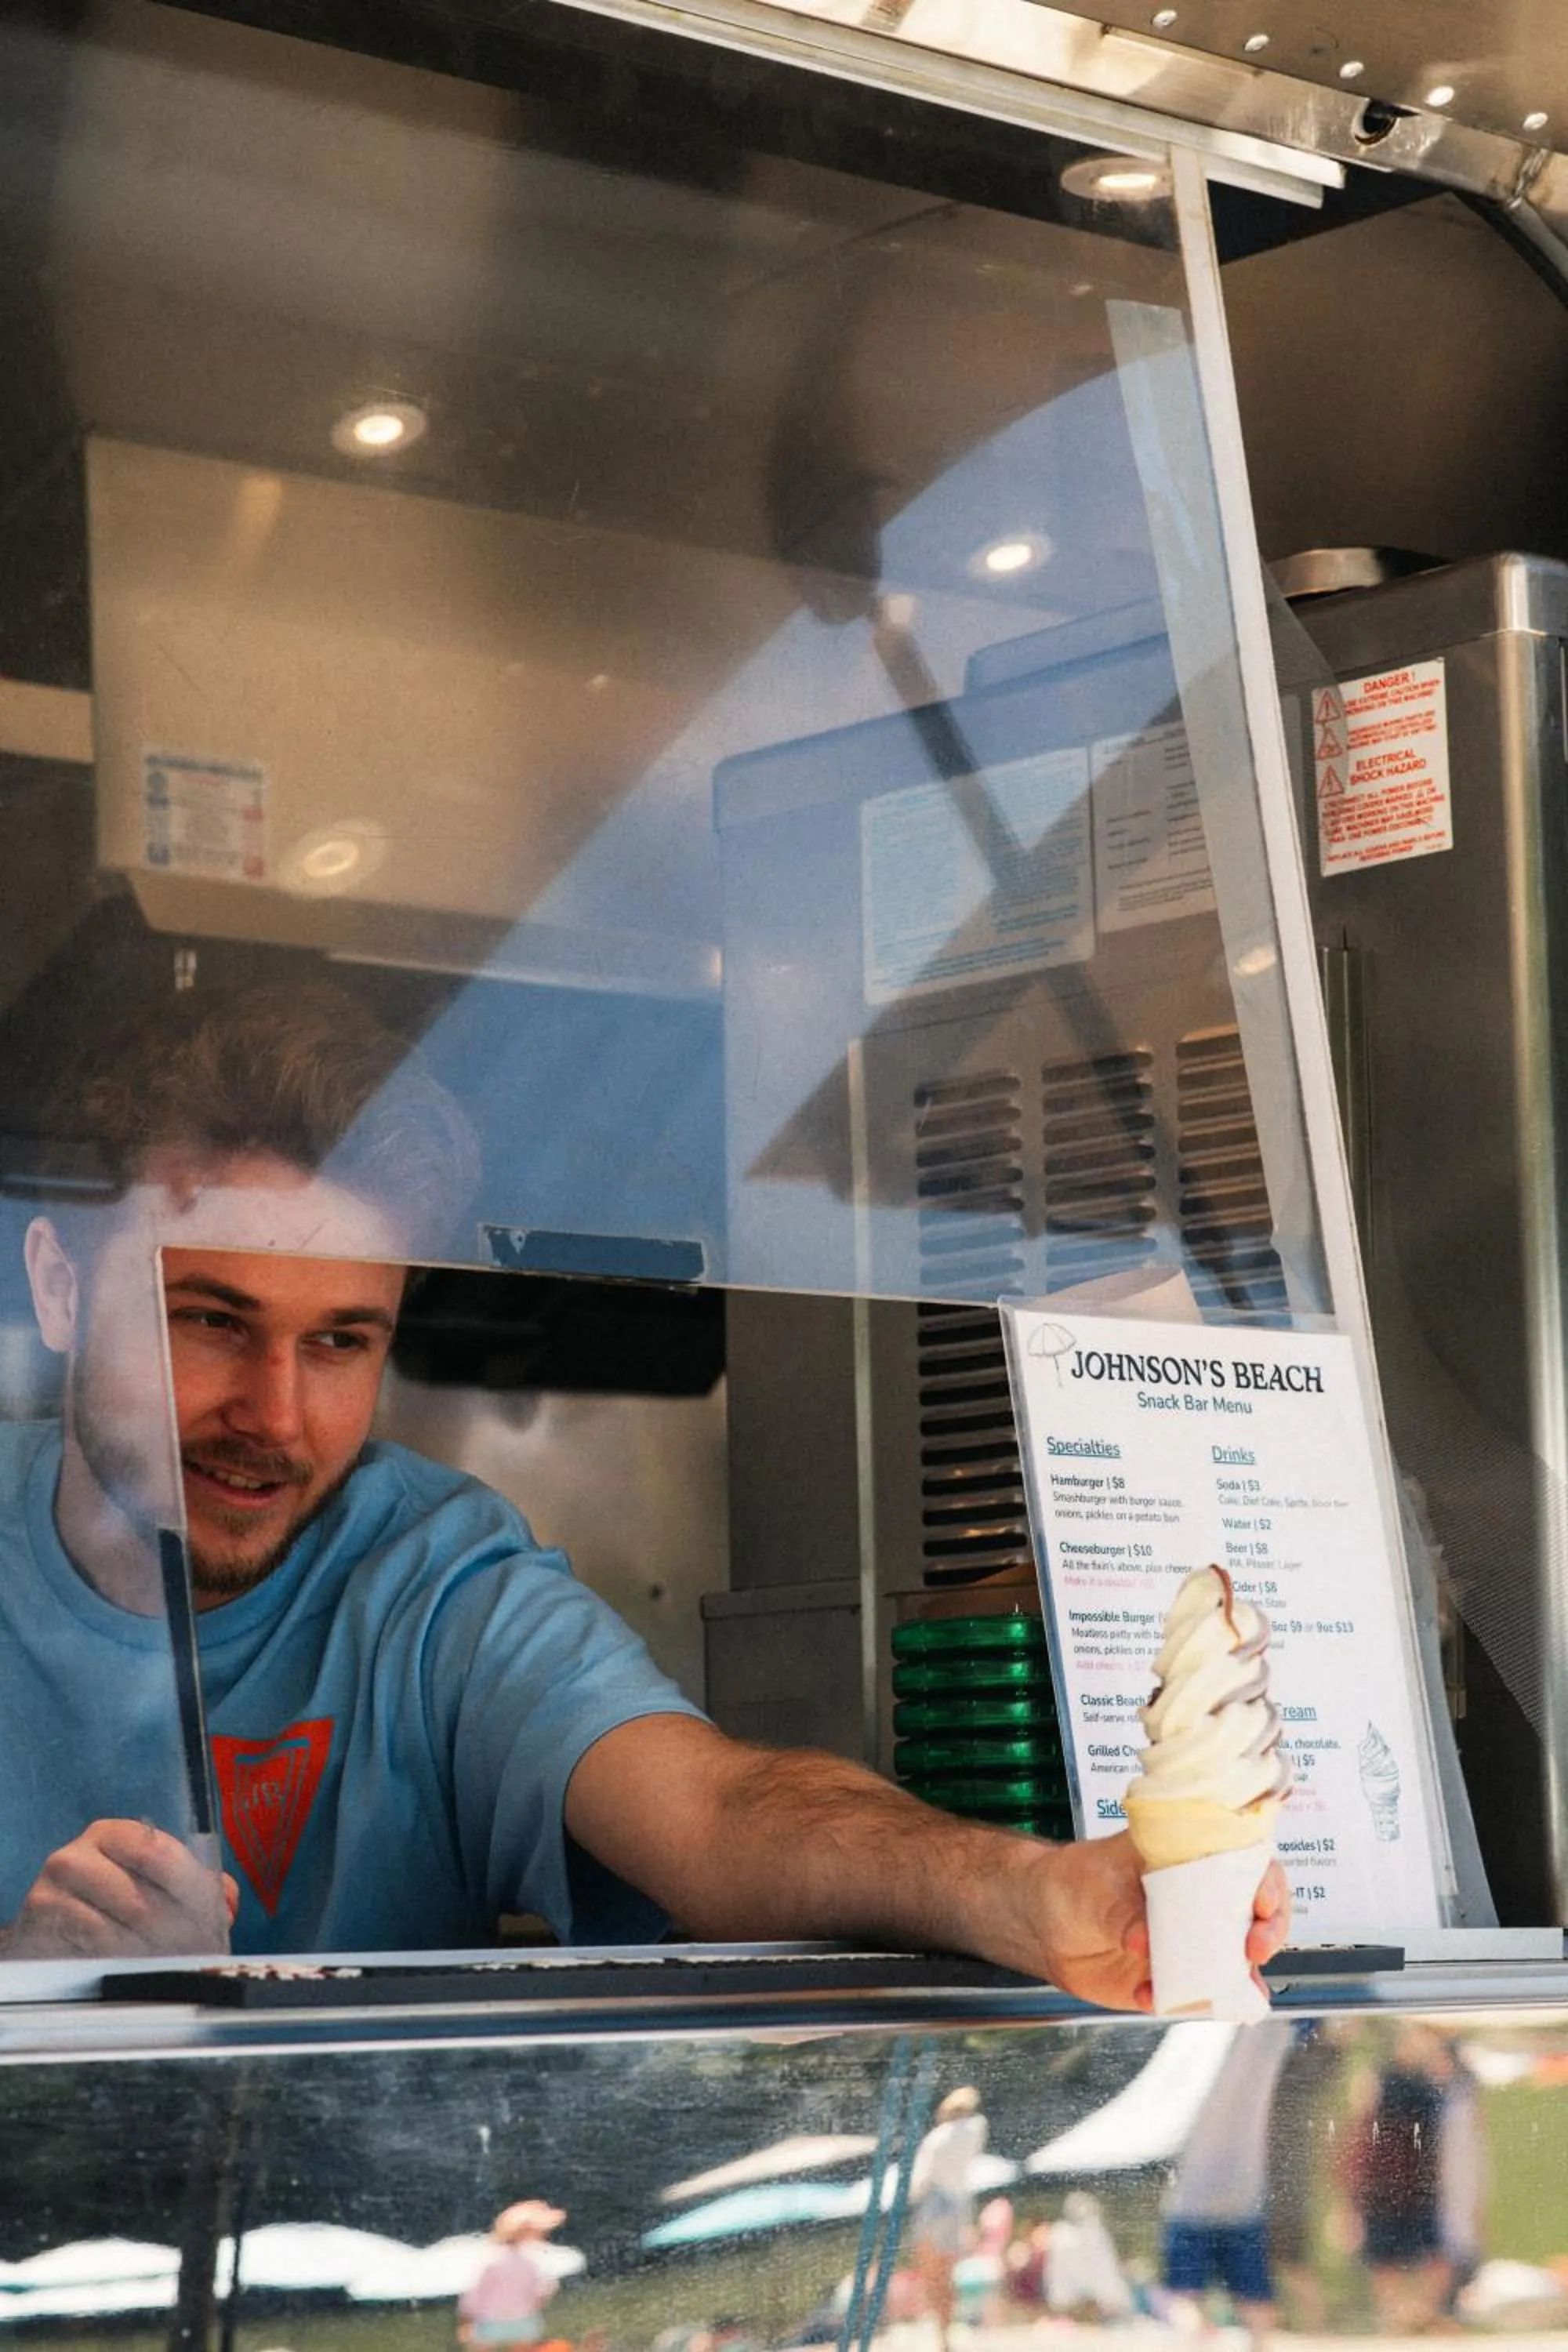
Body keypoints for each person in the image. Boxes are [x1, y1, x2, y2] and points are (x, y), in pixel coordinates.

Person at [0, 982, 1288, 1997]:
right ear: (58, 1286)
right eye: (208, 1321)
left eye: (341, 1339)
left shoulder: (432, 1584)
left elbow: (728, 1813)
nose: (277, 1415)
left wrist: (1038, 1895)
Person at [1160, 2016, 1295, 2352]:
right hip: (1238, 2199)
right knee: (1252, 2303)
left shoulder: (1193, 2033)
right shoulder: (1273, 2029)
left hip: (1195, 2199)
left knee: (1187, 2298)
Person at [908, 2086, 987, 2350]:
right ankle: (947, 2331)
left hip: (934, 2204)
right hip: (958, 2205)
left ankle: (940, 2333)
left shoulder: (937, 2138)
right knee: (948, 2274)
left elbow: (920, 2179)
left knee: (931, 2275)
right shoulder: (976, 2129)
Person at [457, 2201, 567, 2350]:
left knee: (479, 2344)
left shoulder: (492, 2260)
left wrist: (466, 2321)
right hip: (524, 2322)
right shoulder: (533, 2262)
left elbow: (474, 2297)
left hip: (492, 2323)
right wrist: (536, 2304)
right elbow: (543, 2292)